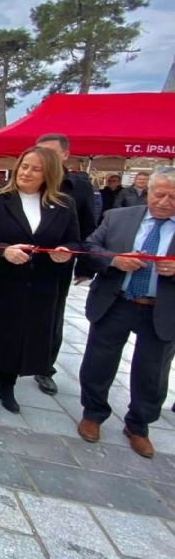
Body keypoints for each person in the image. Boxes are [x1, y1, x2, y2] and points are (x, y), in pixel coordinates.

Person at [0, 146, 80, 420]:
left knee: (24, 338)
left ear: (49, 174)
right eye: (24, 166)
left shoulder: (63, 205)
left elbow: (74, 240)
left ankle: (7, 386)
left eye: (36, 169)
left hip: (38, 286)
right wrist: (3, 251)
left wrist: (65, 252)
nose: (27, 173)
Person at [76, 170, 175, 458]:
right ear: (148, 191)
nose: (165, 202)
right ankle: (93, 413)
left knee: (153, 370)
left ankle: (138, 425)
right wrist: (114, 260)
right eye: (160, 195)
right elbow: (89, 247)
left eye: (173, 197)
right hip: (116, 301)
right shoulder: (120, 217)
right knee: (99, 360)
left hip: (161, 308)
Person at [34, 134, 98, 395]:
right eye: (40, 153)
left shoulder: (79, 188)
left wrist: (84, 264)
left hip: (58, 264)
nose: (44, 159)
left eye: (50, 153)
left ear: (65, 155)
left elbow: (87, 228)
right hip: (21, 261)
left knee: (52, 317)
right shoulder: (28, 182)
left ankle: (44, 368)